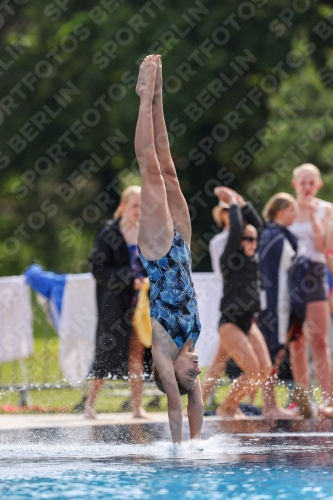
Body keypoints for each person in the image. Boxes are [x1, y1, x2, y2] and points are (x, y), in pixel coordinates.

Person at [135, 54, 203, 443]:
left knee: (150, 168)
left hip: (160, 255)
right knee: (170, 169)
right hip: (183, 250)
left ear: (170, 376)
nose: (196, 369)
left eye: (189, 373)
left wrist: (180, 451)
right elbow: (195, 401)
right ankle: (159, 97)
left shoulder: (164, 351)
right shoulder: (192, 342)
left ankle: (144, 96)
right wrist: (198, 445)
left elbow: (178, 405)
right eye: (195, 372)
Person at [84, 185, 151, 419]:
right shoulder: (108, 233)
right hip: (115, 303)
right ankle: (89, 405)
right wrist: (128, 279)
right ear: (123, 206)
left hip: (141, 303)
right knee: (106, 352)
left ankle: (136, 407)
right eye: (135, 205)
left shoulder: (148, 233)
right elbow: (98, 269)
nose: (139, 210)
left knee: (137, 353)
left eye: (143, 206)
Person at [207, 186, 272, 419]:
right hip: (230, 321)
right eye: (248, 239)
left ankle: (225, 406)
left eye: (254, 239)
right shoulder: (229, 257)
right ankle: (226, 407)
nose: (253, 242)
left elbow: (260, 228)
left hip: (247, 321)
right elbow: (235, 231)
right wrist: (233, 203)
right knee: (251, 371)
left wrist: (243, 203)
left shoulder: (251, 258)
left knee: (263, 370)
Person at [289, 164, 333, 406]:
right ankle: (302, 397)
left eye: (311, 182)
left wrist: (316, 217)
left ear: (318, 184)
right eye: (303, 182)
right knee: (297, 339)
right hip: (292, 275)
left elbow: (321, 246)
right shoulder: (288, 209)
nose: (307, 187)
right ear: (295, 184)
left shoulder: (327, 209)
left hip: (316, 273)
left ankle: (328, 397)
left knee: (320, 338)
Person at [258, 193, 298, 418]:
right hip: (275, 304)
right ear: (281, 211)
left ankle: (270, 403)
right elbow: (270, 275)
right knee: (272, 351)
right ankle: (269, 405)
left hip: (279, 302)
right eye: (292, 210)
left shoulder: (277, 235)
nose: (295, 215)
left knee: (276, 352)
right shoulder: (274, 237)